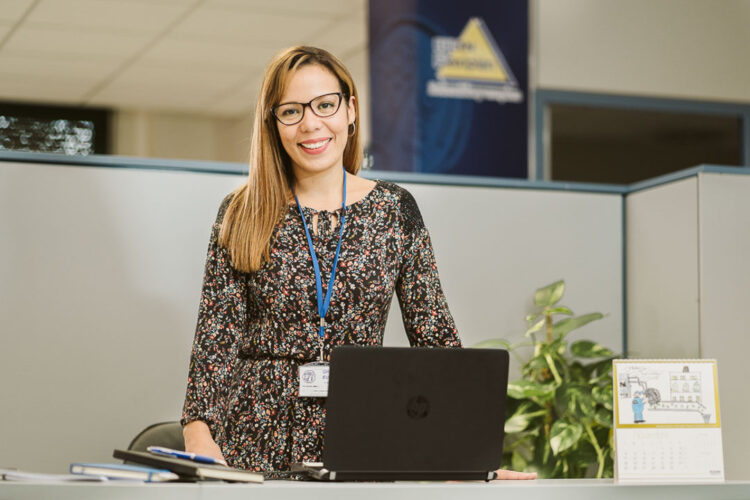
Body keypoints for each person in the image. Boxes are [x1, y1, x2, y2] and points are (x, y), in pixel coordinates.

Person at [181, 45, 535, 480]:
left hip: (365, 433)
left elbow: (436, 339)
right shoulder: (242, 211)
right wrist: (198, 434)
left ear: (350, 109)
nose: (311, 123)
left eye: (325, 105)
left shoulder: (393, 209)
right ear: (273, 124)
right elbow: (214, 342)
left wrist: (465, 455)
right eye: (291, 111)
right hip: (254, 441)